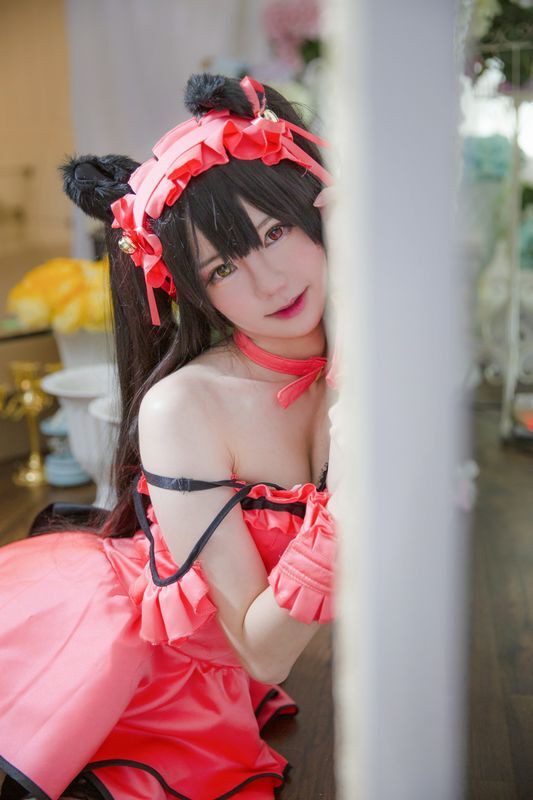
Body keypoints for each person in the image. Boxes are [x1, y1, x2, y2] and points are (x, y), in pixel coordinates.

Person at [0, 73, 338, 800]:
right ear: (193, 292)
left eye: (275, 231)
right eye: (223, 266)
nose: (269, 281)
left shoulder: (356, 359)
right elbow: (261, 655)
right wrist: (352, 502)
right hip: (134, 673)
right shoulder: (184, 407)